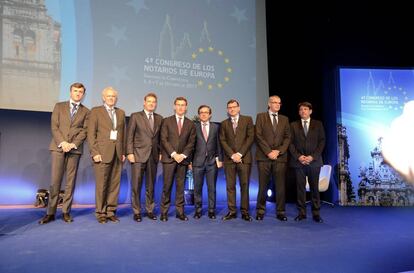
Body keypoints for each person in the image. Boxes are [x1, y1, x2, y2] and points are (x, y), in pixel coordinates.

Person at [39, 83, 89, 224]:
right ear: (70, 92)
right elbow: (54, 126)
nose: (78, 93)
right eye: (75, 91)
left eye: (80, 92)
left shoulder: (86, 111)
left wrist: (73, 144)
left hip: (75, 149)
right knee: (55, 181)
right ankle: (50, 213)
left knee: (70, 182)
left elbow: (84, 131)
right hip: (58, 147)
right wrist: (63, 142)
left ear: (83, 95)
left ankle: (66, 211)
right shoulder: (59, 106)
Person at [88, 87, 126, 224]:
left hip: (117, 154)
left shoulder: (120, 113)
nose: (111, 98)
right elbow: (91, 134)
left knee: (114, 185)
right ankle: (100, 212)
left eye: (114, 96)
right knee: (102, 185)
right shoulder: (96, 111)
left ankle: (111, 211)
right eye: (109, 96)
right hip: (102, 154)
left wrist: (123, 152)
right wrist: (95, 152)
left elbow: (123, 134)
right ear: (103, 97)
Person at [126, 92, 163, 222]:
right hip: (137, 155)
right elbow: (129, 136)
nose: (151, 104)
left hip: (153, 157)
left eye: (154, 102)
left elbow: (159, 139)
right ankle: (136, 211)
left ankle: (150, 210)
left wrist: (159, 153)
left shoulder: (159, 118)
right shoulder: (135, 116)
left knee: (151, 186)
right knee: (136, 186)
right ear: (144, 102)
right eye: (149, 101)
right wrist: (129, 153)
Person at [160, 97, 196, 221]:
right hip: (170, 159)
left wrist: (183, 155)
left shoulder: (190, 123)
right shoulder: (166, 121)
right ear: (174, 106)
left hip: (183, 160)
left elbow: (191, 142)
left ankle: (180, 212)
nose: (180, 107)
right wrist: (174, 154)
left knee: (180, 187)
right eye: (178, 105)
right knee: (167, 186)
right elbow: (164, 139)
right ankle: (164, 212)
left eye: (183, 105)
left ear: (186, 107)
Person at [255, 95, 291, 221]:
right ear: (269, 104)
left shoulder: (284, 119)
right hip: (264, 157)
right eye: (274, 102)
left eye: (279, 103)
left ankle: (281, 212)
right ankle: (260, 211)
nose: (277, 105)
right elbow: (258, 135)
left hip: (280, 158)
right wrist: (269, 152)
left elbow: (288, 137)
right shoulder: (260, 117)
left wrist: (279, 151)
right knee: (263, 186)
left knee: (280, 186)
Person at [289, 102, 325, 223]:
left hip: (314, 162)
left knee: (315, 188)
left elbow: (322, 142)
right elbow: (290, 143)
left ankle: (316, 214)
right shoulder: (293, 125)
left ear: (310, 111)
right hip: (298, 162)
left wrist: (312, 157)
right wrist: (299, 157)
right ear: (299, 112)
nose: (303, 111)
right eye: (301, 109)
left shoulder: (318, 124)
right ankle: (302, 213)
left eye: (305, 109)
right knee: (300, 189)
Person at [219, 99, 254, 221]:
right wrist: (232, 155)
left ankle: (245, 212)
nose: (232, 109)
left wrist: (239, 154)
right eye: (229, 107)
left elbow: (250, 138)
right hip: (229, 160)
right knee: (230, 186)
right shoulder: (224, 123)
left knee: (244, 186)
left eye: (234, 107)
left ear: (238, 108)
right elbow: (222, 140)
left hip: (244, 159)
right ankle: (232, 211)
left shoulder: (248, 119)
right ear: (227, 110)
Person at [191, 105, 223, 220]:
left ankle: (211, 211)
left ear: (210, 114)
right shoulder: (194, 127)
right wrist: (190, 161)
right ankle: (198, 211)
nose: (204, 114)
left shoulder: (215, 127)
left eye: (206, 112)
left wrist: (219, 158)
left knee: (212, 188)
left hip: (211, 162)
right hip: (197, 162)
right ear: (199, 115)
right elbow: (191, 146)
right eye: (201, 112)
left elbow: (219, 144)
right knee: (197, 188)